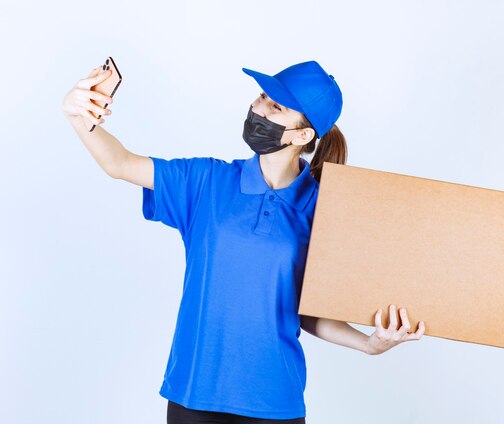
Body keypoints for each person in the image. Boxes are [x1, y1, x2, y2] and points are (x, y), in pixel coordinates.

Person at [62, 60, 426, 424]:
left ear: (302, 135)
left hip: (274, 404)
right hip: (193, 395)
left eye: (277, 107)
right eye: (263, 96)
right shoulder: (206, 180)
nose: (259, 108)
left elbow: (312, 312)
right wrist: (79, 115)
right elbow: (120, 163)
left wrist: (369, 344)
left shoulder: (325, 210)